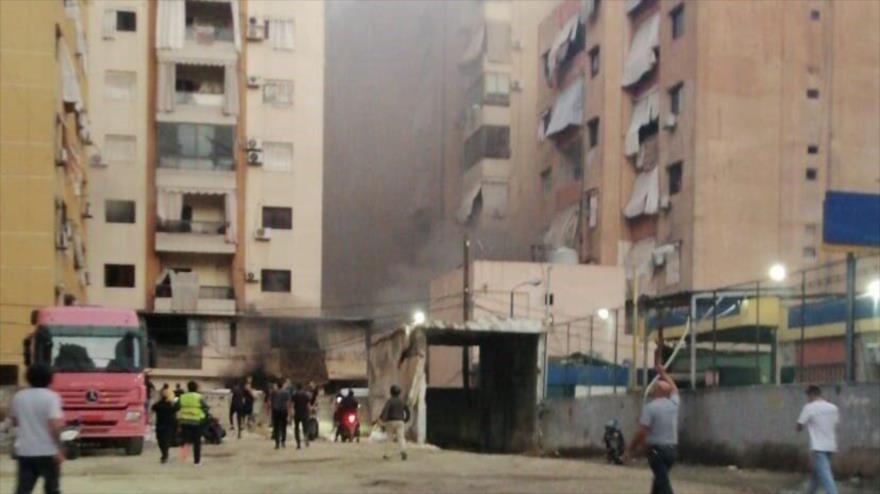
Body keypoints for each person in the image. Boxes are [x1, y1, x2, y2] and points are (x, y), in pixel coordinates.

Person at [624, 365, 679, 494]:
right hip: (672, 451)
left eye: (654, 388)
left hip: (657, 452)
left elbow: (642, 432)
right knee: (659, 481)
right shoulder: (674, 404)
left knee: (663, 485)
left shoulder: (650, 408)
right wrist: (663, 373)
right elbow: (674, 388)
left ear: (657, 391)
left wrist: (630, 449)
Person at [10, 364, 65, 494]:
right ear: (50, 378)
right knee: (52, 489)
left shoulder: (19, 397)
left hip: (25, 451)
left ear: (28, 377)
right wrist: (59, 448)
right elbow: (55, 425)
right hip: (48, 452)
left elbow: (15, 421)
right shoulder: (52, 397)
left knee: (23, 489)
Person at [797, 385, 840, 494]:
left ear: (811, 395)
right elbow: (835, 423)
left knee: (825, 475)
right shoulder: (833, 407)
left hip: (818, 447)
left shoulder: (809, 407)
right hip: (831, 446)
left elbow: (799, 425)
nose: (807, 398)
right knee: (816, 476)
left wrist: (800, 427)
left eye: (808, 395)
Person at [177, 381, 208, 466]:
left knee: (184, 440)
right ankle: (197, 461)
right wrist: (203, 416)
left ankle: (183, 457)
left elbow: (176, 407)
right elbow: (206, 408)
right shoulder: (199, 397)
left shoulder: (182, 397)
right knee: (197, 442)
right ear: (196, 388)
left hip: (184, 421)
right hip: (196, 422)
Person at [379, 384, 410, 461]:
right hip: (400, 421)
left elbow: (385, 410)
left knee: (389, 438)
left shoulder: (390, 401)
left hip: (390, 421)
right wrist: (405, 419)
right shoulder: (401, 401)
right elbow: (407, 411)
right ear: (399, 393)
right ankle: (403, 451)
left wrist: (382, 419)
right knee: (401, 437)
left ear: (391, 392)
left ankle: (387, 455)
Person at [152, 388, 179, 464]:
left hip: (160, 425)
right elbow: (177, 410)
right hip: (169, 425)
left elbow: (153, 409)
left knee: (161, 441)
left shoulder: (158, 405)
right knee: (166, 440)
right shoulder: (171, 405)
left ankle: (164, 454)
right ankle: (165, 454)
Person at [270, 380, 292, 449]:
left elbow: (271, 402)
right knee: (283, 426)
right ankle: (283, 441)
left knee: (276, 427)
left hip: (276, 411)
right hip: (284, 411)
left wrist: (271, 411)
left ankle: (277, 443)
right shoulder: (286, 392)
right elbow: (288, 403)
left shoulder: (273, 392)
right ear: (282, 385)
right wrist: (289, 413)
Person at [291, 383, 311, 449]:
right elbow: (308, 405)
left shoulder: (294, 395)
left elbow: (292, 405)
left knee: (296, 428)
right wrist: (309, 412)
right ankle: (306, 439)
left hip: (297, 413)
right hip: (304, 413)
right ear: (302, 388)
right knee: (305, 427)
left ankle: (298, 443)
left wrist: (292, 413)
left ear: (297, 388)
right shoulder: (306, 395)